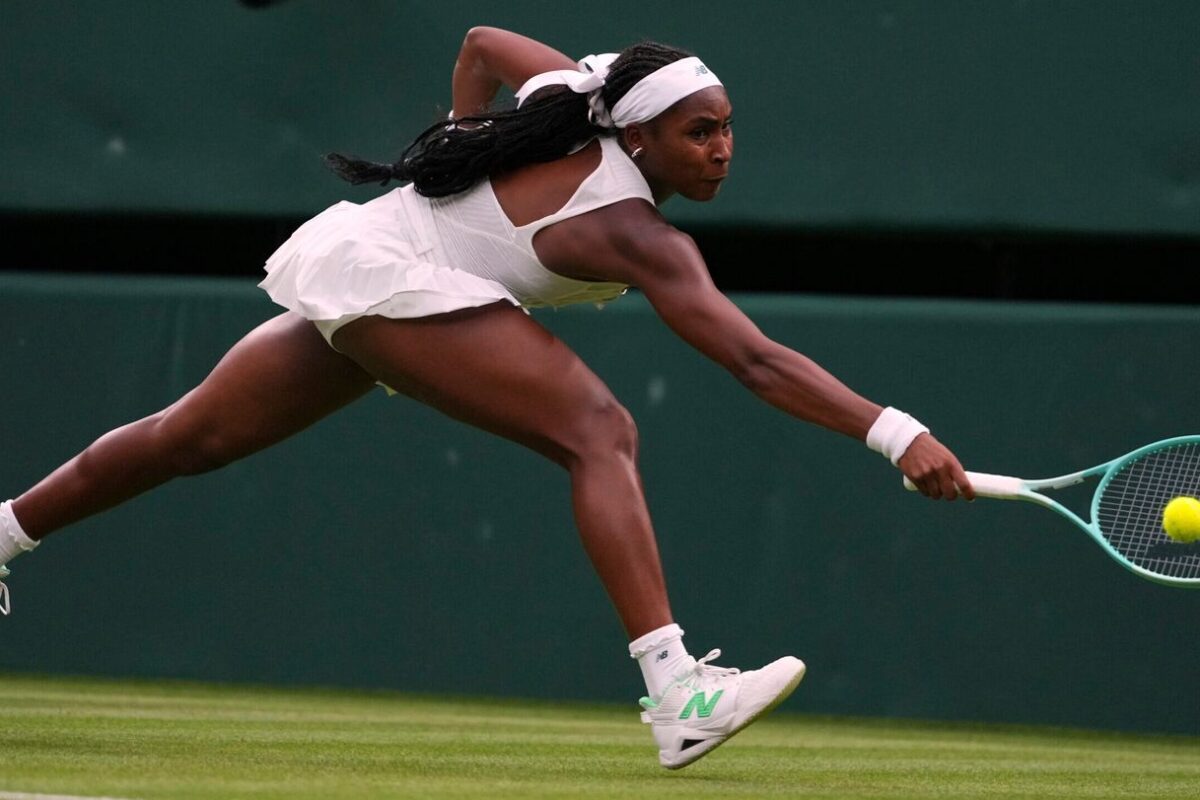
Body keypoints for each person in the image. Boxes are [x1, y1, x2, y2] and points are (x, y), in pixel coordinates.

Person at [0, 27, 974, 768]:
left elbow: (479, 43)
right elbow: (755, 362)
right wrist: (895, 432)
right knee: (598, 429)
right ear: (638, 133)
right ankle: (678, 691)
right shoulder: (640, 233)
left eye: (727, 131)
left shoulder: (570, 95)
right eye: (699, 131)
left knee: (189, 435)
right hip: (394, 271)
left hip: (374, 258)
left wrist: (463, 132)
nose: (722, 149)